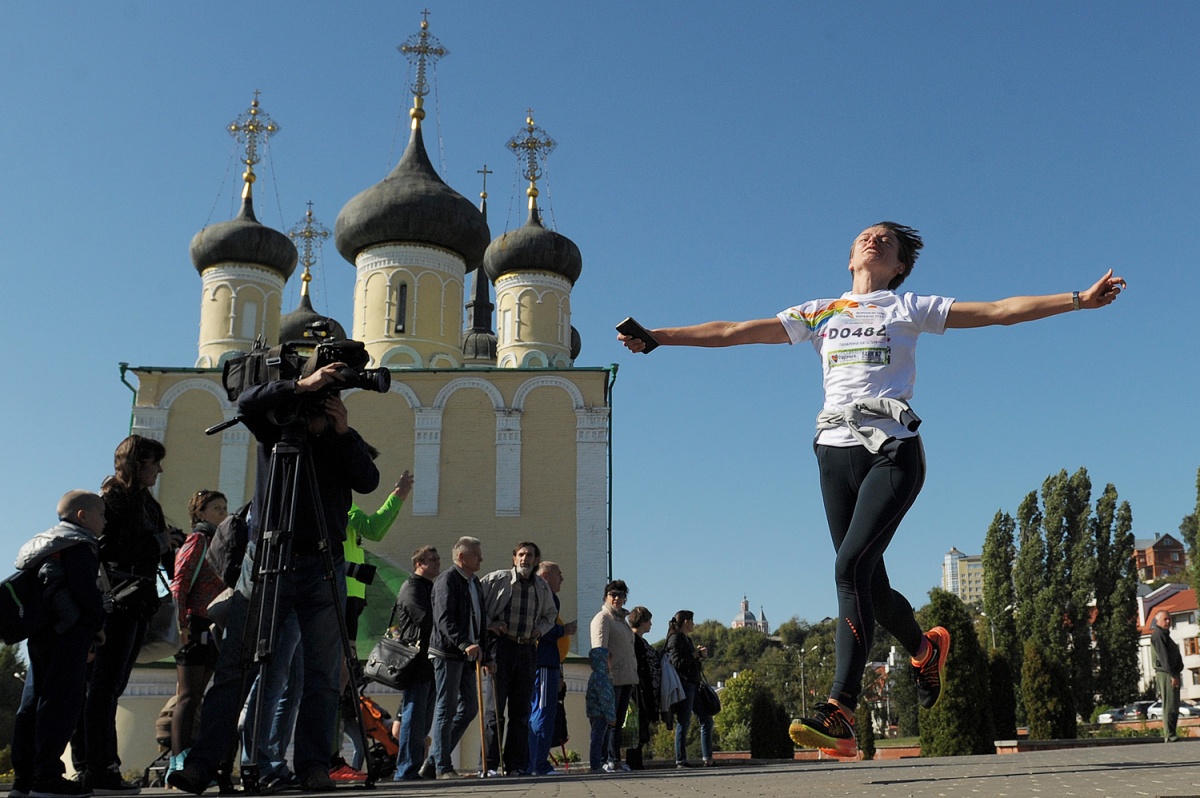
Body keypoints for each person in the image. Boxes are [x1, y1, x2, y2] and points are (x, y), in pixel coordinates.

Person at [619, 222, 1126, 757]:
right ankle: (924, 648)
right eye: (866, 235)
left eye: (888, 240)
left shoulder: (908, 308)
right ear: (849, 258)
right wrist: (658, 336)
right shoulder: (820, 311)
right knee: (870, 584)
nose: (874, 239)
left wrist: (1078, 300)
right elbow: (734, 330)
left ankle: (840, 709)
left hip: (892, 449)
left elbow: (999, 309)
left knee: (847, 570)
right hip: (833, 452)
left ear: (901, 266)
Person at [170, 363, 380, 794]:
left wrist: (342, 433)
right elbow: (246, 402)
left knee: (321, 676)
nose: (322, 408)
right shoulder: (277, 429)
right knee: (236, 667)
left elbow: (368, 480)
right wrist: (300, 385)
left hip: (323, 565)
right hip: (267, 558)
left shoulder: (342, 441)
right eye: (319, 399)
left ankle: (313, 767)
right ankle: (204, 763)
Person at [74, 436, 183, 795]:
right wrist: (158, 542)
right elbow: (105, 548)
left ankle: (98, 765)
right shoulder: (113, 499)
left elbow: (153, 548)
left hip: (138, 603)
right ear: (137, 463)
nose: (160, 469)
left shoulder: (146, 503)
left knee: (110, 687)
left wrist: (173, 547)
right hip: (117, 603)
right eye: (154, 462)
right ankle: (97, 767)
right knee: (103, 688)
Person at [11, 491, 108, 798]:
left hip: (41, 634)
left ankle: (23, 780)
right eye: (102, 515)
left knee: (32, 705)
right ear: (83, 516)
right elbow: (84, 592)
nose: (104, 521)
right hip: (69, 634)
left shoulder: (45, 546)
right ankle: (48, 777)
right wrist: (98, 625)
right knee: (62, 704)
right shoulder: (77, 546)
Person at [479, 542, 558, 776]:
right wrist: (488, 625)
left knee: (521, 711)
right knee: (494, 710)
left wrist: (541, 630)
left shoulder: (542, 587)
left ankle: (516, 766)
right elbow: (476, 607)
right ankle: (489, 765)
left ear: (535, 560)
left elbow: (551, 614)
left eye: (530, 555)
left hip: (526, 650)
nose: (525, 559)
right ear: (514, 558)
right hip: (500, 648)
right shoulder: (496, 580)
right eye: (521, 555)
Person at [166, 490, 229, 780]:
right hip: (195, 624)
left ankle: (197, 761)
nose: (223, 514)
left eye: (225, 508)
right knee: (188, 696)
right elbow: (178, 583)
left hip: (214, 626)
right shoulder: (198, 541)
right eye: (217, 508)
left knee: (204, 696)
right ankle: (178, 760)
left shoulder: (221, 543)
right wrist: (182, 625)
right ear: (200, 513)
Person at [423, 536, 487, 779]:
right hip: (448, 653)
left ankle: (433, 759)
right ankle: (442, 766)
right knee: (446, 708)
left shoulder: (474, 582)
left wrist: (486, 653)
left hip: (469, 655)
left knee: (469, 707)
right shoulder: (447, 580)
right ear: (461, 557)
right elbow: (443, 619)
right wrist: (464, 643)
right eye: (476, 554)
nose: (480, 558)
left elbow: (479, 618)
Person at [391, 546, 441, 780]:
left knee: (423, 719)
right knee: (413, 717)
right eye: (432, 559)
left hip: (430, 662)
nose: (437, 563)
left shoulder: (429, 587)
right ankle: (406, 770)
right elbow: (424, 618)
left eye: (438, 559)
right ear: (418, 563)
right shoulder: (411, 587)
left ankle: (414, 766)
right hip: (416, 661)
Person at [526, 561, 576, 776]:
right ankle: (539, 764)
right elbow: (541, 630)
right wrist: (563, 630)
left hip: (546, 662)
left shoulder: (539, 595)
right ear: (545, 575)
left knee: (539, 712)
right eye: (559, 574)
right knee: (543, 712)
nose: (562, 579)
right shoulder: (545, 596)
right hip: (544, 662)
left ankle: (534, 762)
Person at [589, 580, 636, 772]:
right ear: (606, 596)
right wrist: (604, 676)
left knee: (618, 722)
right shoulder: (603, 618)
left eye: (621, 595)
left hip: (626, 677)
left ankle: (615, 759)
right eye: (613, 594)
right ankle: (605, 759)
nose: (617, 598)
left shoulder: (622, 621)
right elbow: (600, 649)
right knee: (608, 722)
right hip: (610, 678)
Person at [665, 610, 713, 768]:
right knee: (683, 721)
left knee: (706, 718)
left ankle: (707, 757)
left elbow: (690, 660)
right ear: (686, 622)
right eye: (692, 621)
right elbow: (677, 662)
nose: (694, 624)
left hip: (693, 683)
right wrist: (695, 655)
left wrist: (698, 655)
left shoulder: (686, 638)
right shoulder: (675, 639)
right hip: (684, 684)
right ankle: (680, 759)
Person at [625, 605, 659, 770]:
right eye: (649, 621)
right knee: (637, 725)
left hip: (642, 687)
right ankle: (634, 761)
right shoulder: (633, 640)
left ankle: (636, 760)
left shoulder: (639, 640)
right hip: (638, 688)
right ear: (642, 621)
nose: (651, 624)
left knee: (640, 725)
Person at [1151, 609, 1184, 742]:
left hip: (1172, 673)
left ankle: (1172, 732)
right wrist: (1172, 675)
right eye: (1165, 619)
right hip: (1166, 674)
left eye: (1169, 619)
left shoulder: (1165, 635)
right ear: (1157, 621)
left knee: (1174, 704)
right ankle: (1169, 735)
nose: (1168, 621)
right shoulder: (1158, 635)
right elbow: (1164, 658)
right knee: (1169, 704)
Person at [584, 647, 615, 774]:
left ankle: (599, 763)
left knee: (599, 740)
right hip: (600, 714)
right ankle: (596, 765)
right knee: (598, 740)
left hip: (596, 714)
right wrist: (611, 717)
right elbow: (605, 700)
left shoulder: (597, 676)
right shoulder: (601, 678)